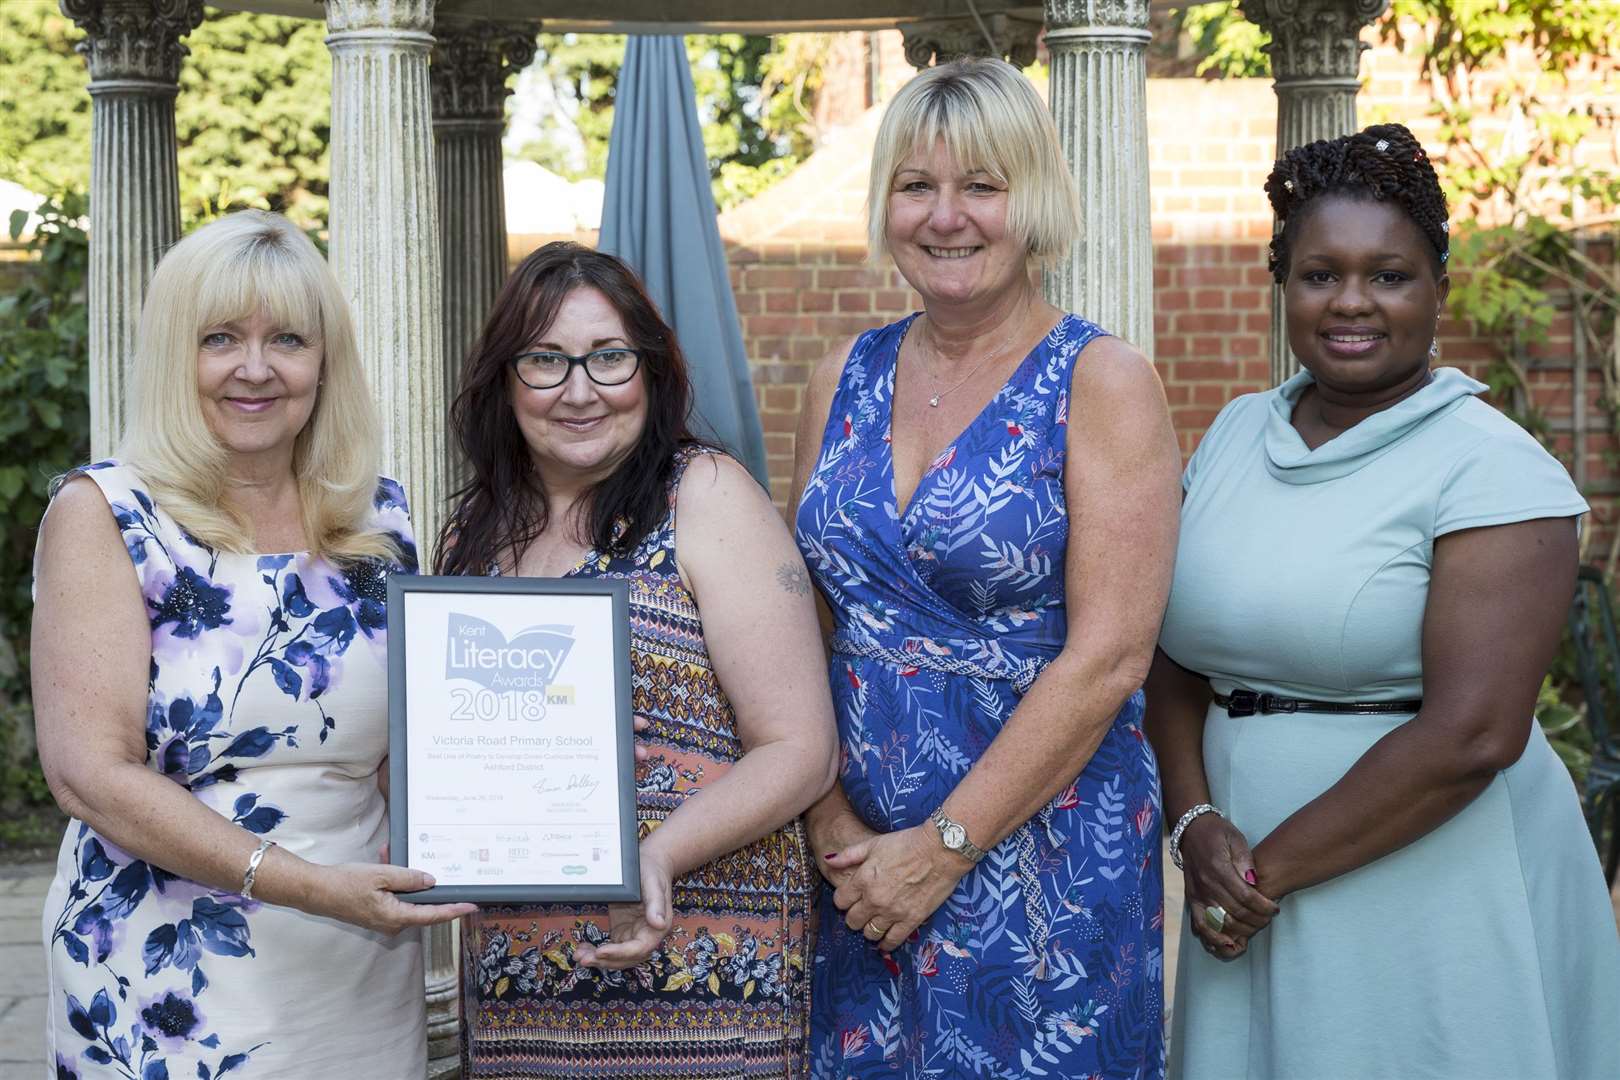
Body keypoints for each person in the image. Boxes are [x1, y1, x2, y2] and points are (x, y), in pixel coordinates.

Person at [1147, 123, 1620, 1079]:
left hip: (1429, 871)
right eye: (1321, 273)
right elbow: (1169, 655)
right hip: (1233, 871)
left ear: (1438, 287)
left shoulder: (1490, 466)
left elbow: (1474, 736)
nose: (1352, 301)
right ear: (1284, 285)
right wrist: (1196, 825)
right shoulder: (1239, 432)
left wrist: (1257, 875)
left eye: (1390, 275)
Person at [791, 58, 1181, 1078]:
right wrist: (836, 831)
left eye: (983, 186)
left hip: (1046, 862)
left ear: (1036, 198)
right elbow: (812, 622)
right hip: (860, 870)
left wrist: (943, 849)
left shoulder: (1102, 381)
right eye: (916, 185)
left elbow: (1108, 658)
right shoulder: (845, 373)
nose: (945, 215)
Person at [31, 211, 474, 1079]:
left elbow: (409, 754)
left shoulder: (378, 519)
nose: (257, 368)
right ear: (173, 355)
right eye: (220, 338)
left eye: (289, 340)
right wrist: (309, 885)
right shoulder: (107, 516)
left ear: (325, 362)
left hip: (358, 969)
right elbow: (92, 774)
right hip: (165, 977)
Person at [442, 242, 838, 1078]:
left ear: (650, 371)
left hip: (703, 975)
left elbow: (801, 750)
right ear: (504, 379)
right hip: (524, 995)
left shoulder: (704, 496)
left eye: (608, 357)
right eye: (546, 361)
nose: (579, 390)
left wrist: (656, 853)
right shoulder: (472, 541)